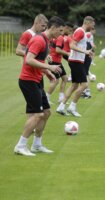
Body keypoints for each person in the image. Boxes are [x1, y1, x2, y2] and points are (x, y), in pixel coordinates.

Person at [14, 16, 64, 156]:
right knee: (37, 114)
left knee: (46, 113)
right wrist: (49, 66)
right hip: (28, 81)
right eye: (59, 31)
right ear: (52, 28)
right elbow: (29, 60)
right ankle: (20, 145)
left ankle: (37, 145)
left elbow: (37, 61)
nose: (60, 34)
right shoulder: (38, 40)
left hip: (36, 80)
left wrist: (47, 72)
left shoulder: (46, 41)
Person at [56, 16, 95, 117]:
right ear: (88, 22)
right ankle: (72, 107)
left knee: (74, 85)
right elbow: (72, 45)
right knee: (84, 85)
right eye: (93, 23)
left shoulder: (82, 32)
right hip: (76, 61)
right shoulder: (81, 31)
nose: (93, 25)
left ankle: (61, 106)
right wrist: (85, 51)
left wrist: (86, 52)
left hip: (76, 61)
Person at [46, 22, 73, 104]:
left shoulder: (56, 37)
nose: (70, 32)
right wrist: (68, 53)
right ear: (66, 28)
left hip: (56, 60)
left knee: (65, 78)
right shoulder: (60, 37)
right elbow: (58, 50)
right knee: (55, 81)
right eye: (70, 30)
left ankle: (61, 98)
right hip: (54, 61)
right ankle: (46, 98)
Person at [82, 27, 97, 99]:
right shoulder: (87, 35)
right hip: (86, 57)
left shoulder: (86, 35)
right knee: (84, 75)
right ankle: (85, 91)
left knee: (85, 75)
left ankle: (87, 92)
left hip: (86, 58)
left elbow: (88, 46)